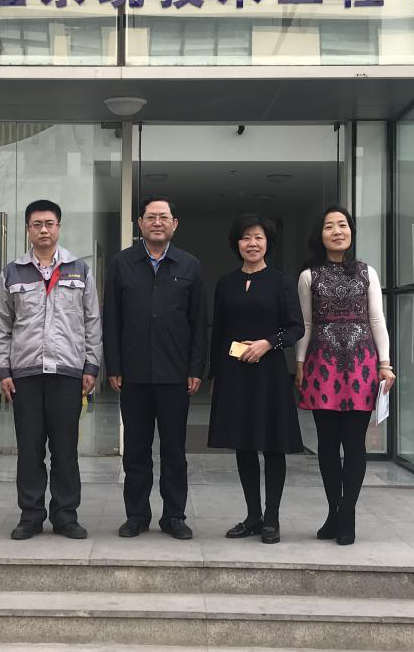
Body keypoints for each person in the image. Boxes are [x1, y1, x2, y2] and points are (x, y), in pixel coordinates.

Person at [0, 200, 101, 540]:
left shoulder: (79, 270)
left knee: (65, 450)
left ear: (58, 227)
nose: (43, 230)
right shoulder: (12, 272)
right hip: (25, 374)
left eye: (49, 224)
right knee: (30, 449)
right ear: (28, 229)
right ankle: (31, 515)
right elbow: (0, 324)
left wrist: (91, 365)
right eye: (36, 224)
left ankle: (66, 515)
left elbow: (92, 321)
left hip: (67, 372)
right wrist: (3, 369)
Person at [103, 195, 206, 540]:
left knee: (174, 450)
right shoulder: (121, 264)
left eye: (164, 217)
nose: (157, 222)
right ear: (140, 223)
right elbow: (111, 319)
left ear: (174, 224)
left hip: (175, 375)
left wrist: (195, 368)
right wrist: (114, 365)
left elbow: (198, 322)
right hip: (133, 374)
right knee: (136, 450)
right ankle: (136, 515)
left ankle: (174, 516)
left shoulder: (190, 265)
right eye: (151, 217)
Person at [295, 205, 396, 546]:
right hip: (321, 365)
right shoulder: (309, 276)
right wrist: (299, 363)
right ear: (320, 235)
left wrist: (385, 364)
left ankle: (347, 514)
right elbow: (306, 324)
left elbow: (377, 319)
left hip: (361, 365)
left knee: (354, 444)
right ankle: (333, 512)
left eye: (343, 225)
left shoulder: (368, 272)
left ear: (351, 232)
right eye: (329, 226)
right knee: (326, 445)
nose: (337, 231)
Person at [207, 213, 304, 544]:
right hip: (235, 374)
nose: (252, 243)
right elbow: (219, 331)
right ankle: (253, 516)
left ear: (267, 243)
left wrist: (268, 343)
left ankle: (271, 519)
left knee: (273, 446)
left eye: (258, 237)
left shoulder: (281, 281)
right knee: (243, 446)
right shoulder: (226, 283)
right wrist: (214, 373)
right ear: (237, 243)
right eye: (246, 237)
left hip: (269, 375)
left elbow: (296, 327)